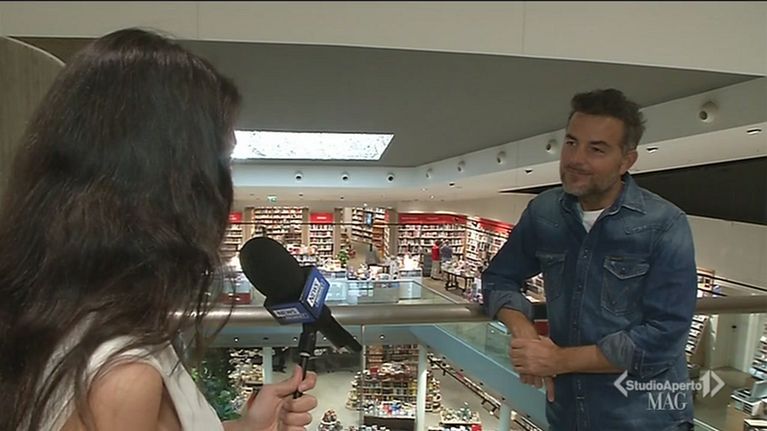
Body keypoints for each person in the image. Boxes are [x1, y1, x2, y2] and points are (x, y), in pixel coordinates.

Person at [0, 28, 317, 431]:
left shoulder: (67, 315)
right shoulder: (122, 380)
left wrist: (248, 427)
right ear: (176, 186)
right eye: (221, 160)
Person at [481, 89, 696, 430]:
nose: (575, 159)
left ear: (626, 161)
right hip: (568, 413)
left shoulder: (664, 224)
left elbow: (665, 335)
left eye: (596, 149)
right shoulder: (545, 212)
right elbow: (499, 278)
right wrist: (526, 336)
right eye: (571, 143)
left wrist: (559, 360)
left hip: (644, 417)